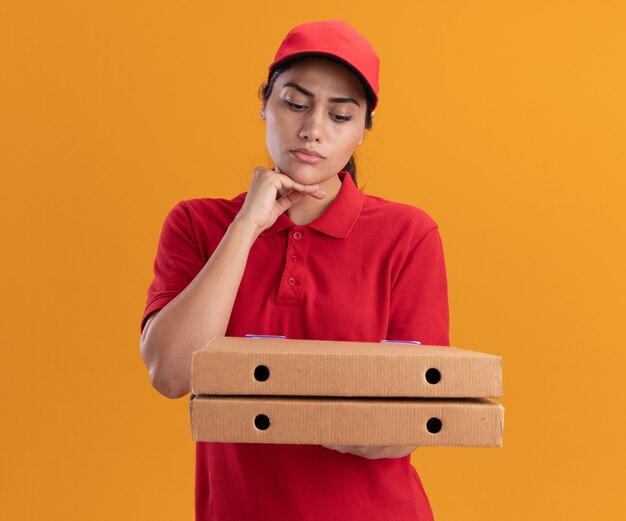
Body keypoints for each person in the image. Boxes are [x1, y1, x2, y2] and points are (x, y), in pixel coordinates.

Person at [140, 19, 449, 521]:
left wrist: (277, 402)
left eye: (341, 114)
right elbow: (172, 373)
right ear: (265, 102)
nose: (313, 130)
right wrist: (246, 226)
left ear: (364, 128)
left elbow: (417, 418)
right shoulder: (198, 224)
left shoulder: (408, 235)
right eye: (295, 103)